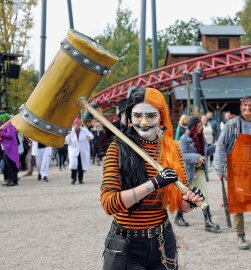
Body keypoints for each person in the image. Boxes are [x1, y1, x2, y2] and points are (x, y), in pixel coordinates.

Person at [101, 87, 204, 269]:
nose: (143, 122)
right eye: (137, 115)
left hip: (163, 242)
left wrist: (191, 200)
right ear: (130, 117)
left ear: (161, 116)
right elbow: (109, 204)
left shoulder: (173, 148)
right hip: (126, 245)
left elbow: (181, 204)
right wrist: (154, 183)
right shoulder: (117, 149)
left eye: (151, 116)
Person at [215, 96, 251, 252]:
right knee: (238, 204)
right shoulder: (232, 125)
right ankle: (240, 236)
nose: (247, 108)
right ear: (240, 108)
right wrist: (220, 168)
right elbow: (220, 146)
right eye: (244, 105)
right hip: (237, 172)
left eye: (250, 105)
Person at [174, 116, 220, 232]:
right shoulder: (184, 138)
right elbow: (183, 155)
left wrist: (215, 147)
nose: (201, 127)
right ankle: (178, 217)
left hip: (200, 173)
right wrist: (197, 157)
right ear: (193, 127)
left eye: (201, 125)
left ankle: (208, 222)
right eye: (199, 125)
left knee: (205, 197)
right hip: (188, 173)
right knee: (186, 197)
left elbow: (205, 153)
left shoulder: (201, 137)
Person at [66, 118, 94, 184]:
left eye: (79, 124)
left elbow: (91, 136)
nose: (78, 126)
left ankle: (80, 179)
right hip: (73, 150)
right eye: (76, 124)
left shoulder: (84, 130)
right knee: (73, 165)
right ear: (73, 124)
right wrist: (66, 141)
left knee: (81, 166)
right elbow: (67, 139)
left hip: (82, 150)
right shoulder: (70, 131)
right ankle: (73, 179)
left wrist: (89, 137)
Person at [0, 116, 20, 187]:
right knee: (8, 165)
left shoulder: (10, 126)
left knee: (12, 165)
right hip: (6, 149)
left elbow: (10, 135)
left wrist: (1, 132)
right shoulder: (4, 126)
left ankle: (14, 181)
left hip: (11, 149)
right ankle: (10, 180)